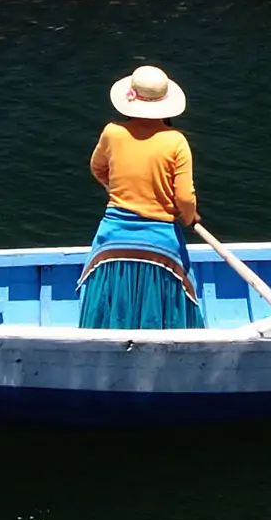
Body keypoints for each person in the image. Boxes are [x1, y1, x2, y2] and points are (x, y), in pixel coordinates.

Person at [78, 64, 204, 330]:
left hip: (112, 237)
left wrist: (118, 192)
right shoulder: (176, 141)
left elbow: (97, 168)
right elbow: (184, 197)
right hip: (161, 240)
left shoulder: (112, 132)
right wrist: (190, 217)